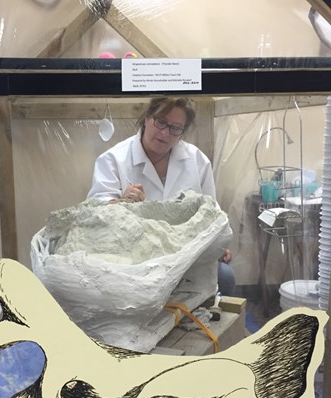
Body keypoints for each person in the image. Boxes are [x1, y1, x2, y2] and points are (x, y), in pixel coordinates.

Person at [87, 96, 235, 296]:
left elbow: (212, 213)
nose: (165, 133)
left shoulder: (197, 161)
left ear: (182, 133)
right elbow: (93, 212)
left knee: (225, 276)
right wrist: (120, 203)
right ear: (148, 117)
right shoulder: (113, 160)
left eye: (175, 128)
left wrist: (217, 245)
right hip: (136, 260)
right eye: (161, 122)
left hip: (186, 258)